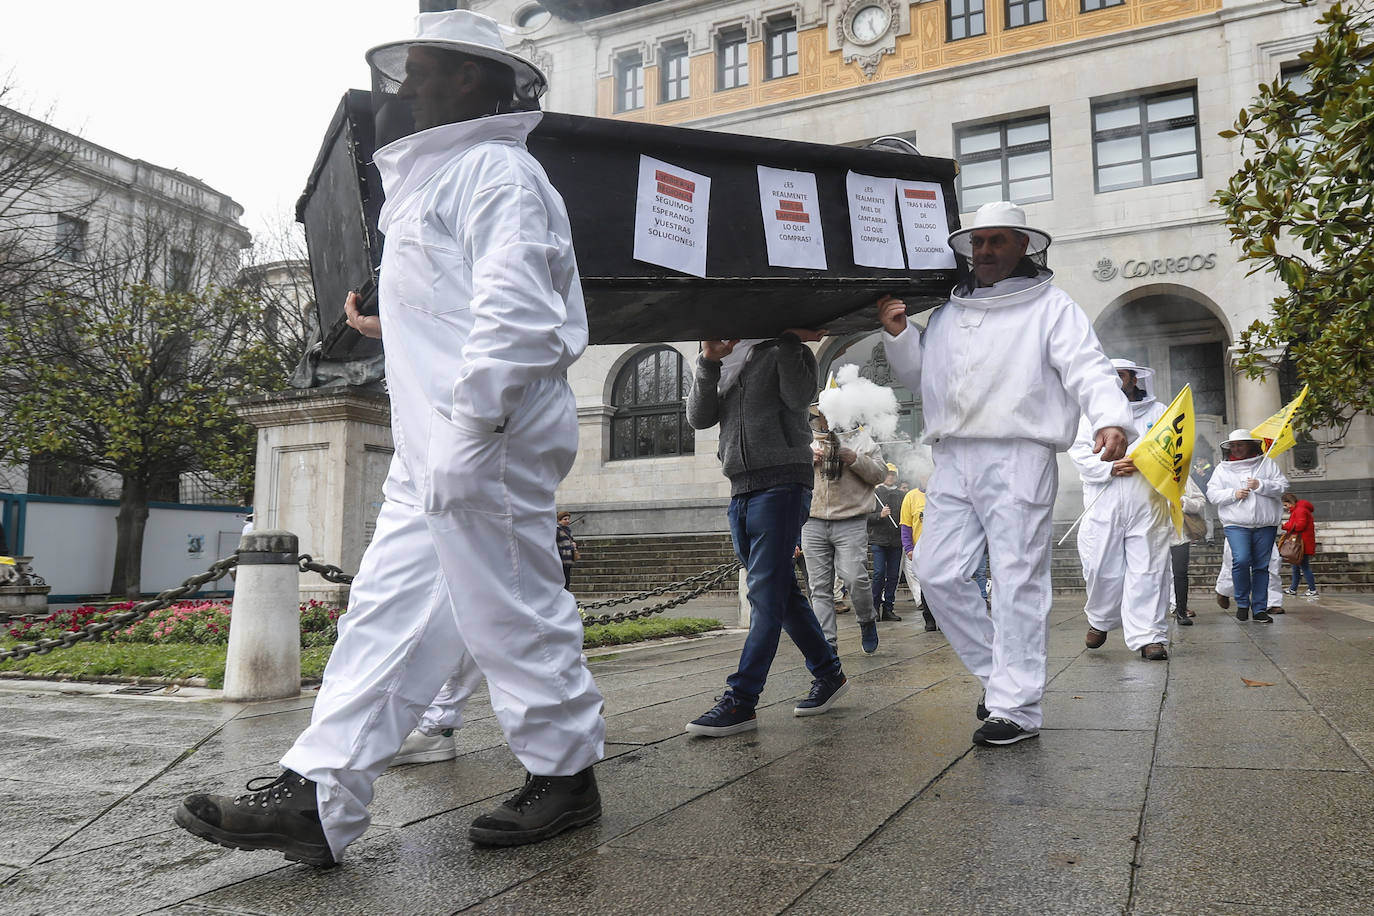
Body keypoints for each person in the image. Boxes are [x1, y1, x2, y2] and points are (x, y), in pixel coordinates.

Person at [174, 11, 605, 867]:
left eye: (425, 72)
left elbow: (519, 313)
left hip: (488, 436)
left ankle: (565, 777)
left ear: (475, 81)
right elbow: (457, 308)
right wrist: (386, 327)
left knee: (510, 606)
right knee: (385, 616)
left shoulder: (493, 172)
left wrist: (473, 427)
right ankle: (318, 797)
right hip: (441, 441)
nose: (405, 89)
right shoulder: (445, 178)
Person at [877, 200, 1131, 747]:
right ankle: (1002, 681)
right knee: (939, 572)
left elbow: (1088, 366)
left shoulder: (1052, 307)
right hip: (953, 457)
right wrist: (899, 334)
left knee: (1016, 579)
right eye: (978, 243)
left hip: (1020, 454)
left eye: (996, 241)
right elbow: (921, 377)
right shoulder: (947, 312)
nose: (985, 251)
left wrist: (1111, 417)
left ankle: (1017, 708)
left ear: (1022, 245)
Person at [684, 333, 850, 737]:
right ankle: (829, 674)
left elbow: (797, 397)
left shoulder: (783, 348)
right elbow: (700, 417)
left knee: (764, 593)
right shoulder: (723, 355)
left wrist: (791, 340)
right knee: (780, 591)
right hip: (740, 485)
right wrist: (708, 361)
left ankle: (742, 700)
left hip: (783, 483)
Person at [1069, 359, 1172, 660]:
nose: (1116, 380)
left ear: (1134, 378)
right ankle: (1100, 620)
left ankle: (1149, 636)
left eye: (1121, 375)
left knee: (1149, 569)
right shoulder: (1089, 415)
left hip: (1147, 502)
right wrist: (1110, 467)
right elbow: (1079, 452)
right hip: (1105, 502)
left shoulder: (1159, 412)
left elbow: (1176, 450)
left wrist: (1149, 463)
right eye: (1109, 376)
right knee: (1101, 568)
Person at [803, 405, 888, 654]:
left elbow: (881, 473)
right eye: (822, 414)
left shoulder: (861, 439)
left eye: (830, 412)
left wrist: (855, 459)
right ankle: (827, 645)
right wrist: (806, 462)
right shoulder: (805, 439)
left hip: (851, 519)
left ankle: (866, 619)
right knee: (819, 587)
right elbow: (787, 472)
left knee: (854, 578)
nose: (826, 419)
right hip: (812, 520)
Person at [1207, 429, 1289, 623]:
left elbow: (1283, 486)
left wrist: (1261, 485)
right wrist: (1233, 494)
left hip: (1265, 524)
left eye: (1240, 445)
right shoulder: (1222, 469)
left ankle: (1259, 608)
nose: (1236, 448)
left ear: (1250, 445)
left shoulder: (1267, 464)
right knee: (1241, 560)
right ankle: (1242, 603)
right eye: (1233, 445)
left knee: (1262, 566)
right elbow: (1212, 494)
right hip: (1236, 524)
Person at [898, 482, 938, 631]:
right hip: (921, 549)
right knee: (926, 584)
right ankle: (929, 618)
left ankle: (944, 618)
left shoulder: (942, 493)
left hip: (941, 548)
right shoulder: (911, 497)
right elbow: (906, 525)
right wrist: (909, 548)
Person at [1168, 474, 1207, 626]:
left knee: (1180, 572)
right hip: (1152, 533)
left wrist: (1184, 501)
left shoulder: (1181, 475)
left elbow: (1200, 501)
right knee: (1153, 574)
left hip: (1179, 532)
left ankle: (1181, 611)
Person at [869, 464, 905, 623]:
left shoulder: (901, 495)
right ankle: (874, 607)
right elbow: (865, 518)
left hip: (896, 541)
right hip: (878, 540)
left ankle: (888, 608)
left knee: (893, 576)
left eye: (893, 474)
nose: (890, 477)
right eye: (888, 474)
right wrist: (880, 515)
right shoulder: (874, 493)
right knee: (878, 573)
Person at [1281, 492, 1319, 598]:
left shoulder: (1300, 510)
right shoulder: (1299, 509)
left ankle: (1312, 589)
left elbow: (1300, 525)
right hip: (1301, 542)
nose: (1285, 507)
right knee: (1296, 566)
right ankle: (1293, 588)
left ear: (1290, 502)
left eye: (1285, 504)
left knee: (1304, 566)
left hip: (1301, 544)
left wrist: (1285, 526)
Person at [556, 511, 579, 590]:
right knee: (563, 580)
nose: (567, 521)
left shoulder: (568, 530)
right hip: (562, 559)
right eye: (565, 519)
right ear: (559, 520)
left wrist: (574, 545)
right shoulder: (557, 530)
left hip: (569, 559)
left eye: (568, 519)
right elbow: (554, 544)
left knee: (567, 580)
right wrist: (561, 553)